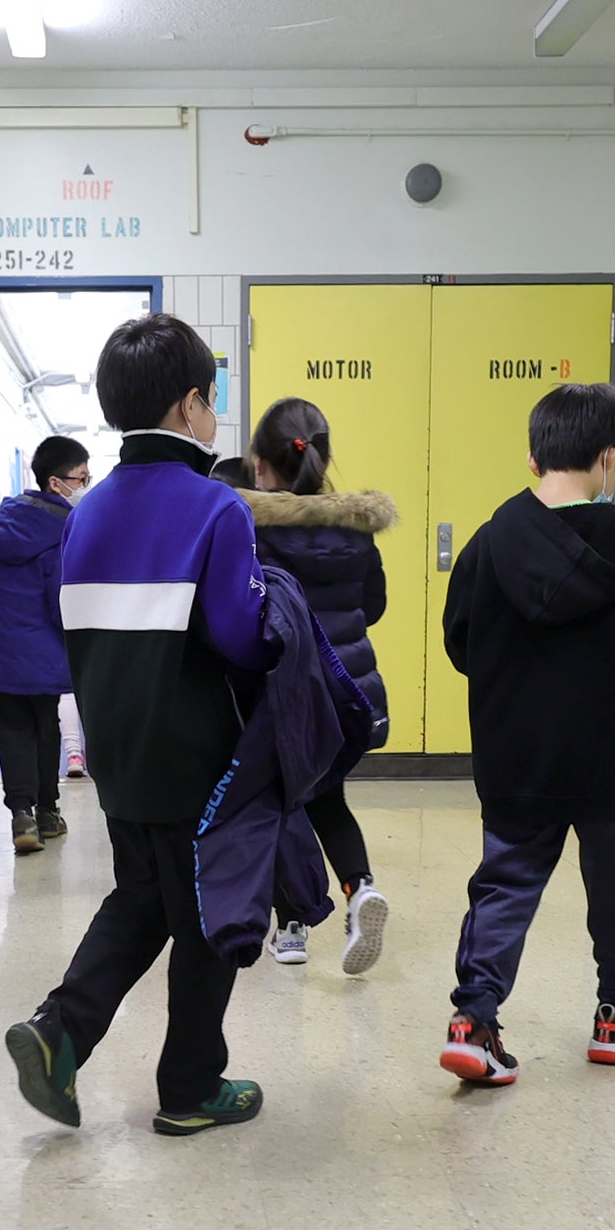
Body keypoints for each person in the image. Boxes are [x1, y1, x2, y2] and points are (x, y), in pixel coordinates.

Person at [5, 314, 275, 1138]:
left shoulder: (84, 513)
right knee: (206, 918)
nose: (215, 414)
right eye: (213, 400)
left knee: (144, 897)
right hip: (198, 753)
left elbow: (69, 623)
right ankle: (190, 1086)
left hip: (117, 750)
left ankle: (60, 1031)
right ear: (191, 404)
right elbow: (239, 638)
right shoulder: (214, 509)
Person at [437, 382, 615, 1087]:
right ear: (610, 456)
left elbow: (461, 645)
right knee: (612, 890)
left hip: (517, 751)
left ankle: (473, 1020)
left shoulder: (488, 545)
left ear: (533, 456)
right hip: (606, 752)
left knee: (504, 884)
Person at [237, 396, 396, 974]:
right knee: (326, 797)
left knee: (278, 803)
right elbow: (372, 606)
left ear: (260, 463)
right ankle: (360, 890)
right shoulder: (356, 529)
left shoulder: (251, 528)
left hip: (284, 691)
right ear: (324, 459)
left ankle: (295, 926)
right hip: (349, 692)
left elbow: (242, 612)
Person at [0, 433, 89, 855]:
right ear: (56, 483)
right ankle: (48, 812)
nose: (85, 485)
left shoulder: (4, 523)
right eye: (81, 477)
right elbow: (60, 601)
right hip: (40, 653)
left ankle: (21, 815)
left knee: (10, 732)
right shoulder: (61, 532)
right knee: (44, 730)